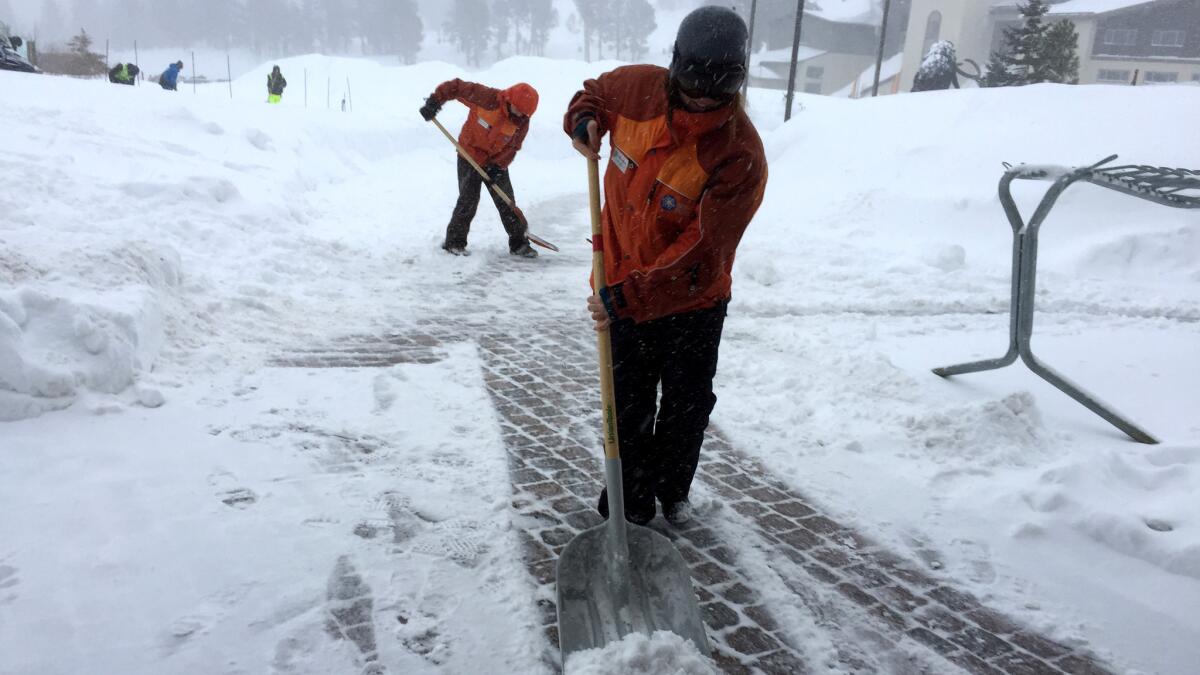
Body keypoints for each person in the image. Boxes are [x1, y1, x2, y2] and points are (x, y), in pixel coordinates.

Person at [565, 6, 767, 526]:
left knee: (685, 410)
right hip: (623, 292)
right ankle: (627, 514)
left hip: (692, 303)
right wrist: (583, 118)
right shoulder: (634, 91)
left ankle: (672, 488)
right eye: (693, 85)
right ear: (675, 67)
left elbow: (703, 253)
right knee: (627, 411)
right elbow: (593, 92)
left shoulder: (739, 154)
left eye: (715, 93)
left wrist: (627, 296)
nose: (701, 100)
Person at [419, 80, 540, 258]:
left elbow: (513, 147)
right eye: (518, 109)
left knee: (506, 202)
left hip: (495, 163)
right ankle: (454, 243)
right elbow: (457, 87)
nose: (520, 115)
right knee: (468, 200)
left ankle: (519, 244)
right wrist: (435, 101)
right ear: (509, 101)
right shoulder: (488, 98)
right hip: (469, 155)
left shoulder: (521, 121)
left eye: (525, 113)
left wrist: (498, 166)